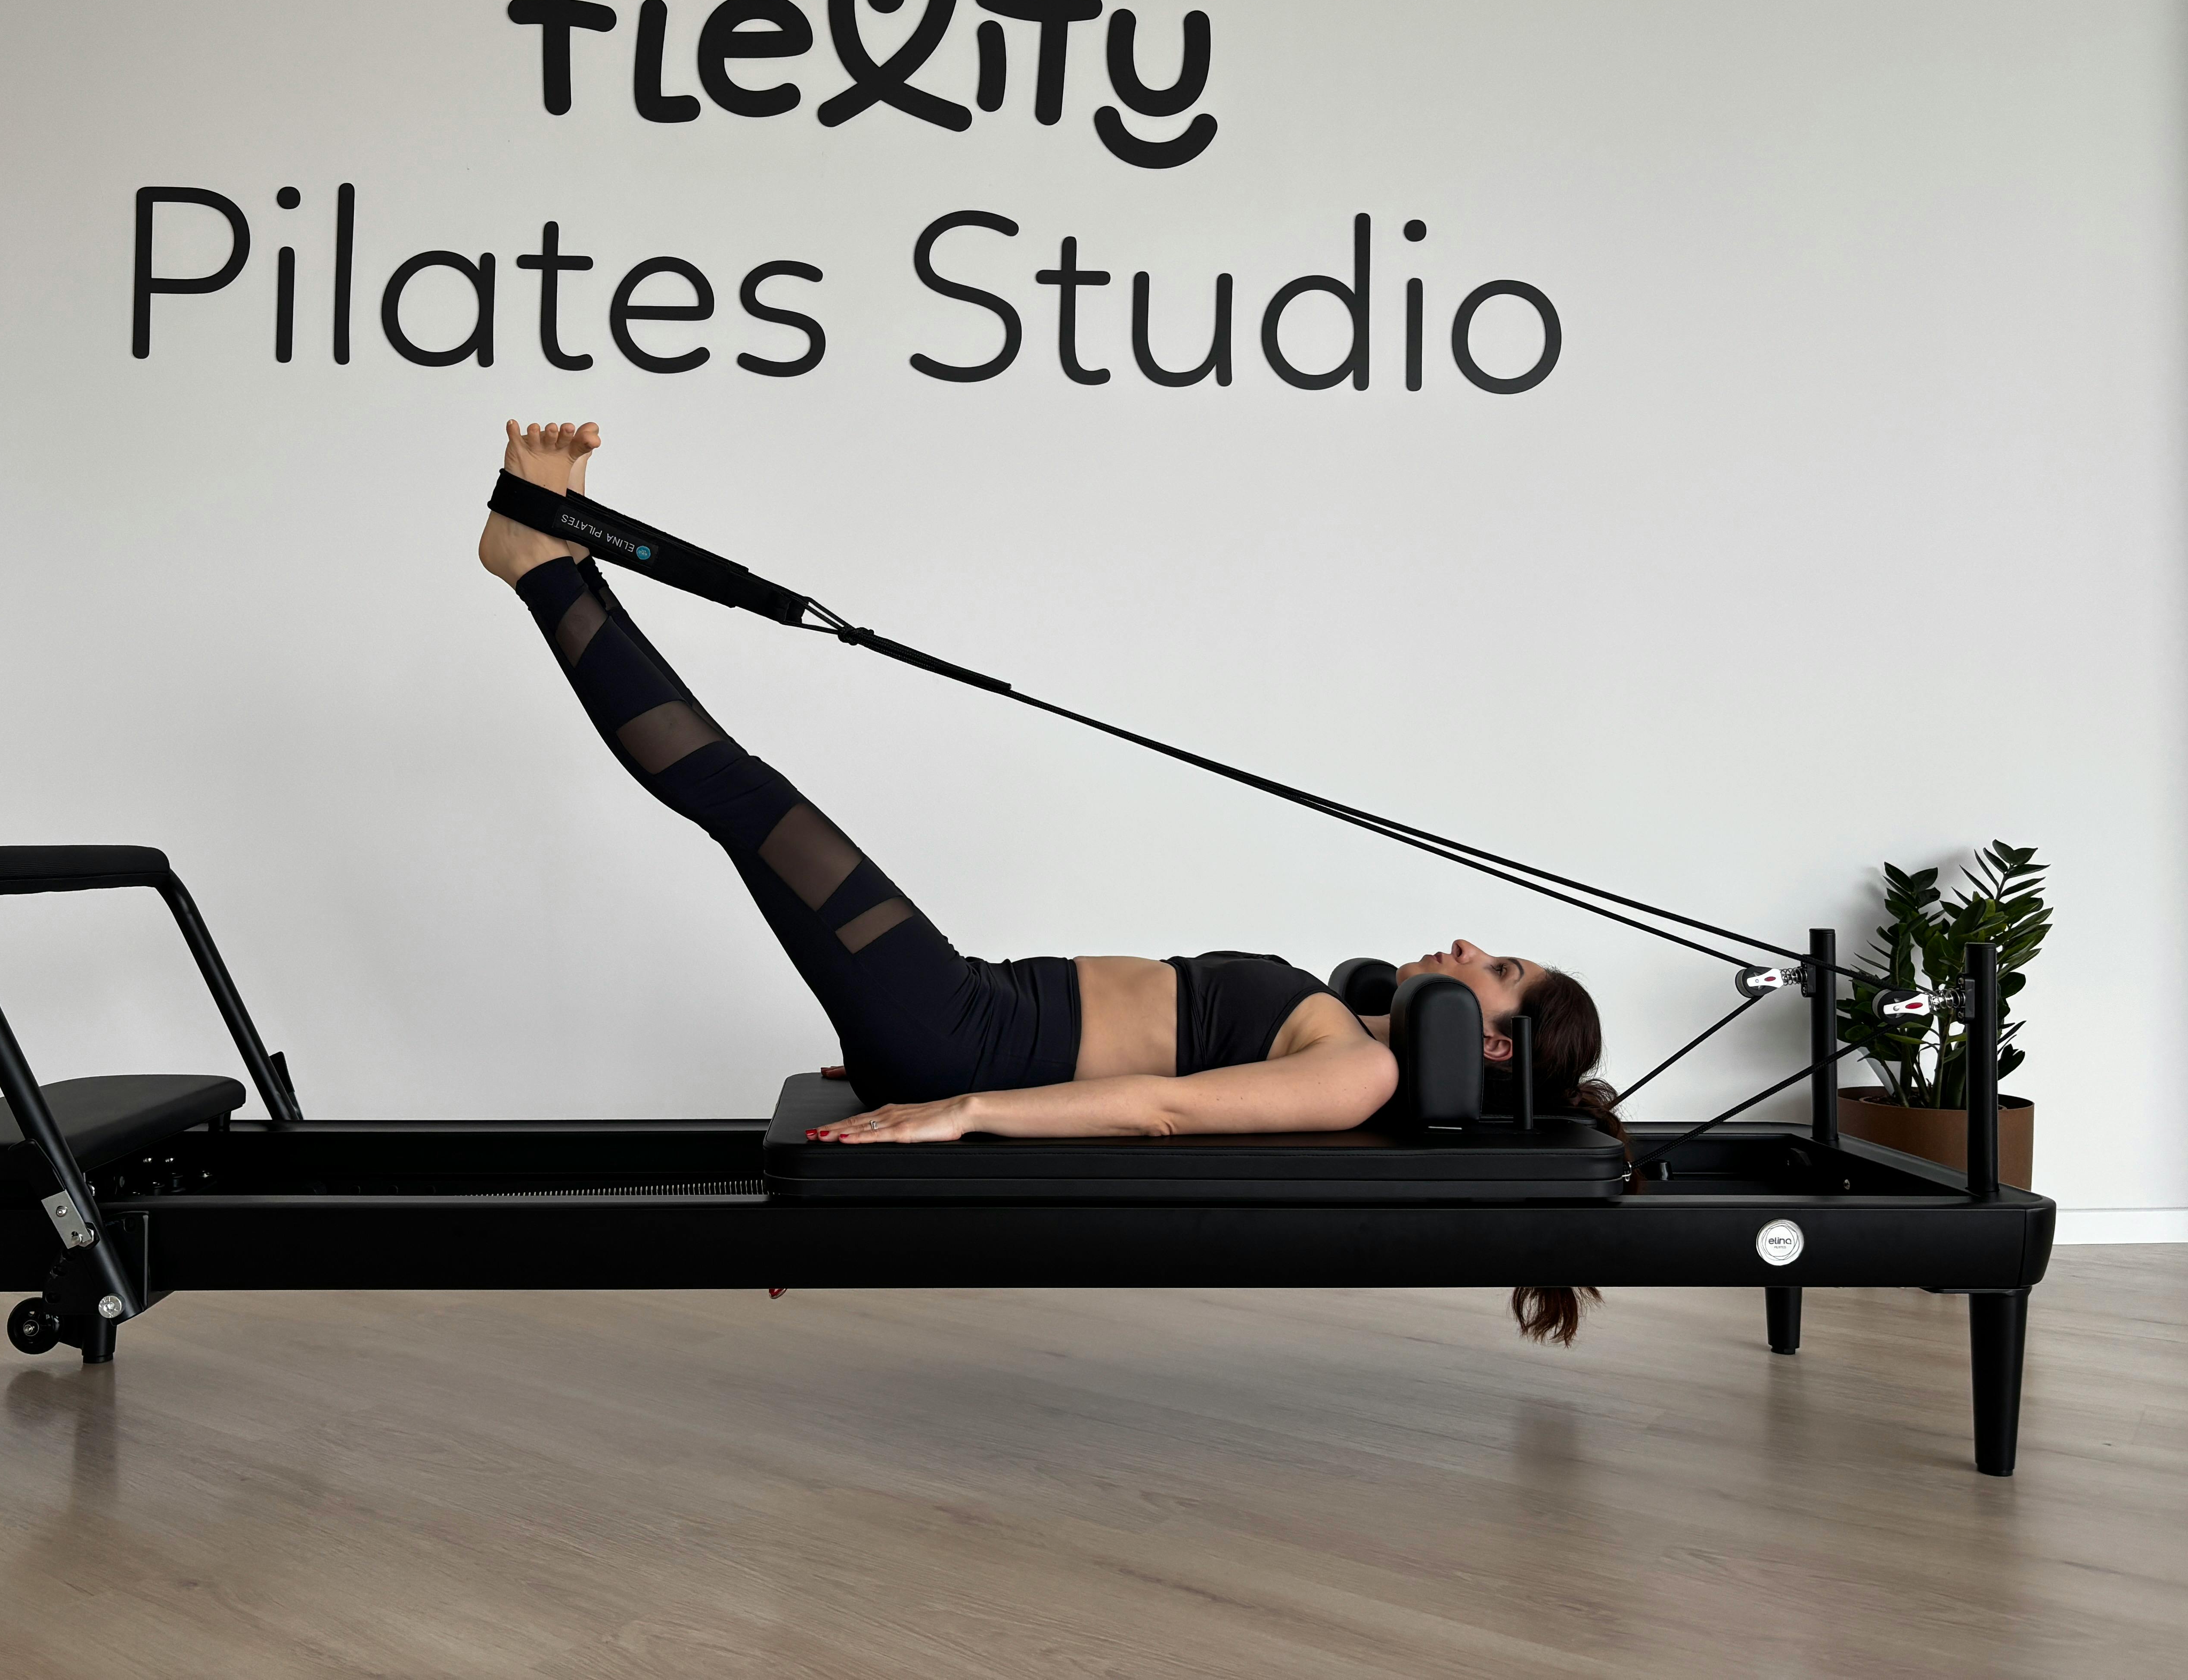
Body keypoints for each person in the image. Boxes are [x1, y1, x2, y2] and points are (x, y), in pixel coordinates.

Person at [480, 420, 1620, 1341]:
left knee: (744, 796)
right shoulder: (1354, 1022)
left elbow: (1160, 1109)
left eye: (1500, 969)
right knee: (747, 802)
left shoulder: (1357, 1073)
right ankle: (561, 562)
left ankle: (541, 566)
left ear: (1494, 1046)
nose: (1471, 946)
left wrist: (962, 1106)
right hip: (963, 1006)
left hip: (962, 1037)